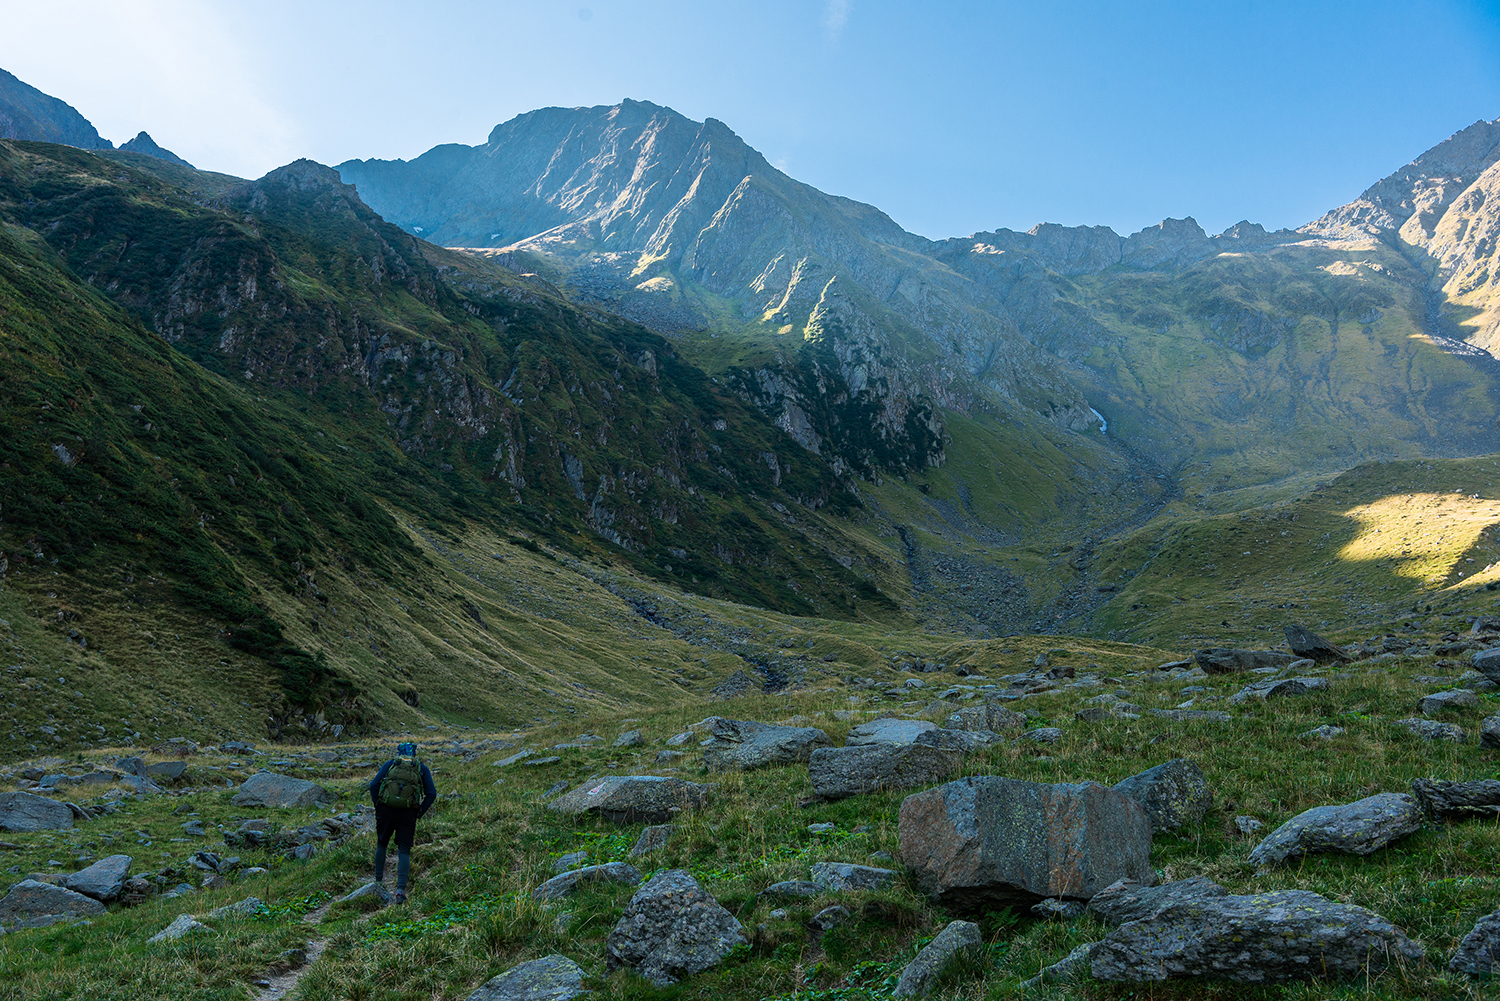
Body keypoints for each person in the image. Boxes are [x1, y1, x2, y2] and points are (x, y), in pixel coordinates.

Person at [368, 741, 436, 903]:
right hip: (408, 813)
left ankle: (378, 883)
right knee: (404, 850)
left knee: (382, 844)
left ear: (399, 752)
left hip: (386, 810)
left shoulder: (391, 764)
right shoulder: (421, 768)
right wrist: (418, 812)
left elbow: (373, 785)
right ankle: (400, 891)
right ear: (414, 753)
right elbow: (431, 793)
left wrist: (378, 805)